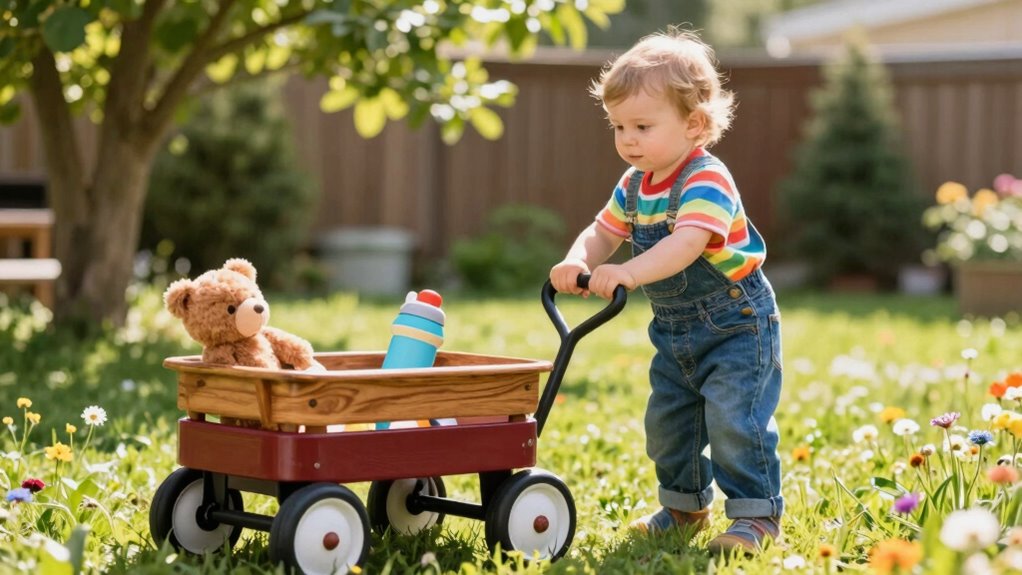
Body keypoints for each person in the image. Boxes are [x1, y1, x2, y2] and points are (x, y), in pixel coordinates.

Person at [548, 27, 783, 555]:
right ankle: (684, 506)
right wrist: (578, 259)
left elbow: (685, 245)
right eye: (618, 126)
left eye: (642, 126)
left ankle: (755, 517)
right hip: (675, 332)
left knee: (734, 420)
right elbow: (604, 231)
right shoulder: (633, 184)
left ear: (693, 125)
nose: (627, 139)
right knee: (667, 422)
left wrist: (629, 273)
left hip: (738, 326)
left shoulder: (706, 180)